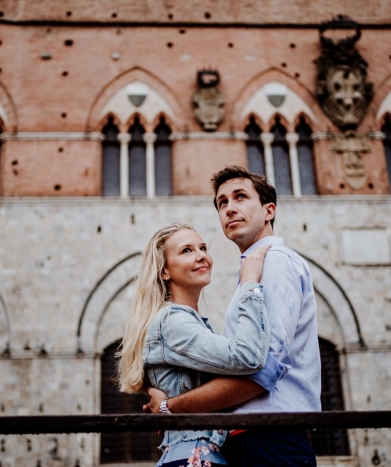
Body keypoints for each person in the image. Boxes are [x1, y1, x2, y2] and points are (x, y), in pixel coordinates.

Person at [144, 166, 321, 467]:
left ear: (269, 210)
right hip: (253, 440)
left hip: (269, 439)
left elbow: (261, 371)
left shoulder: (273, 262)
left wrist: (170, 407)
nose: (229, 208)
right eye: (222, 202)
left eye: (240, 197)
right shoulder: (253, 269)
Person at [117, 222, 283, 467]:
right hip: (193, 457)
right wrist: (250, 283)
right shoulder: (172, 322)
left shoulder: (186, 322)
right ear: (164, 272)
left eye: (203, 247)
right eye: (187, 250)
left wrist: (165, 405)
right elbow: (248, 357)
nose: (202, 256)